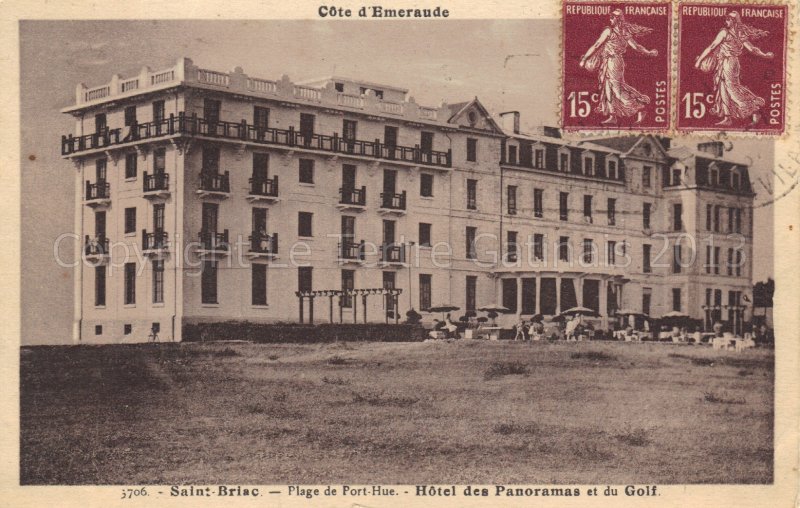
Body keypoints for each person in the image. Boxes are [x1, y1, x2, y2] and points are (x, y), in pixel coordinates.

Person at [579, 9, 659, 124]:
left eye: (613, 17)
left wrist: (585, 58)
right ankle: (612, 116)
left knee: (616, 88)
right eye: (610, 17)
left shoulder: (611, 31)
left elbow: (597, 45)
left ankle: (639, 109)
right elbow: (636, 46)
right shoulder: (622, 31)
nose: (610, 19)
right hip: (608, 61)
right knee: (607, 87)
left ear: (618, 19)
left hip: (614, 61)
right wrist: (648, 52)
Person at [695, 11, 774, 126]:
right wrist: (764, 55)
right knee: (723, 88)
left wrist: (699, 61)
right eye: (726, 19)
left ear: (733, 21)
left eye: (728, 20)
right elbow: (752, 49)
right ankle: (727, 118)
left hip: (729, 62)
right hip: (726, 62)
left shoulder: (725, 32)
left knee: (731, 88)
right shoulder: (740, 33)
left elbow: (712, 46)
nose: (726, 21)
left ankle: (752, 109)